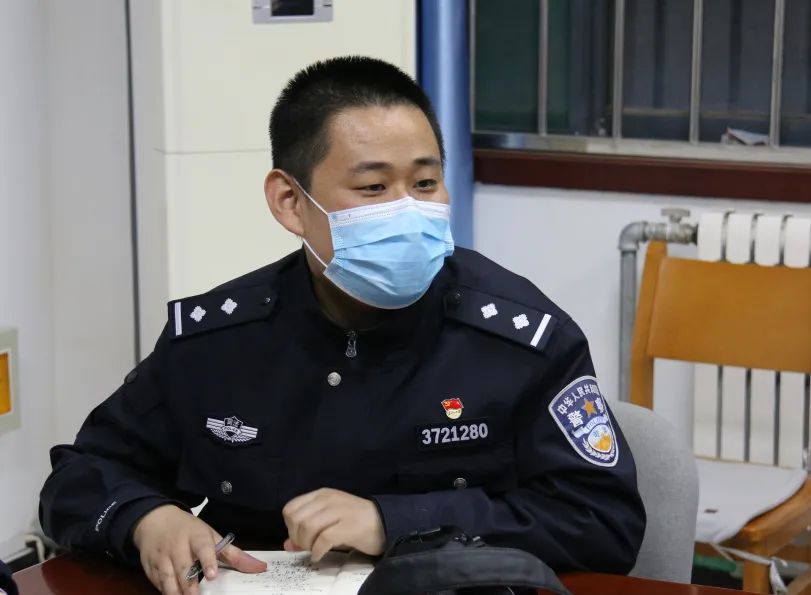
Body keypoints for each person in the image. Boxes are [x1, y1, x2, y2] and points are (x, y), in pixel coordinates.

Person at [39, 56, 645, 595]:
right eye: (373, 187)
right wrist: (146, 519)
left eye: (425, 183)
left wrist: (394, 522)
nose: (407, 209)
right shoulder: (218, 340)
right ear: (290, 202)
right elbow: (80, 475)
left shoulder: (520, 338)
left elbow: (602, 522)